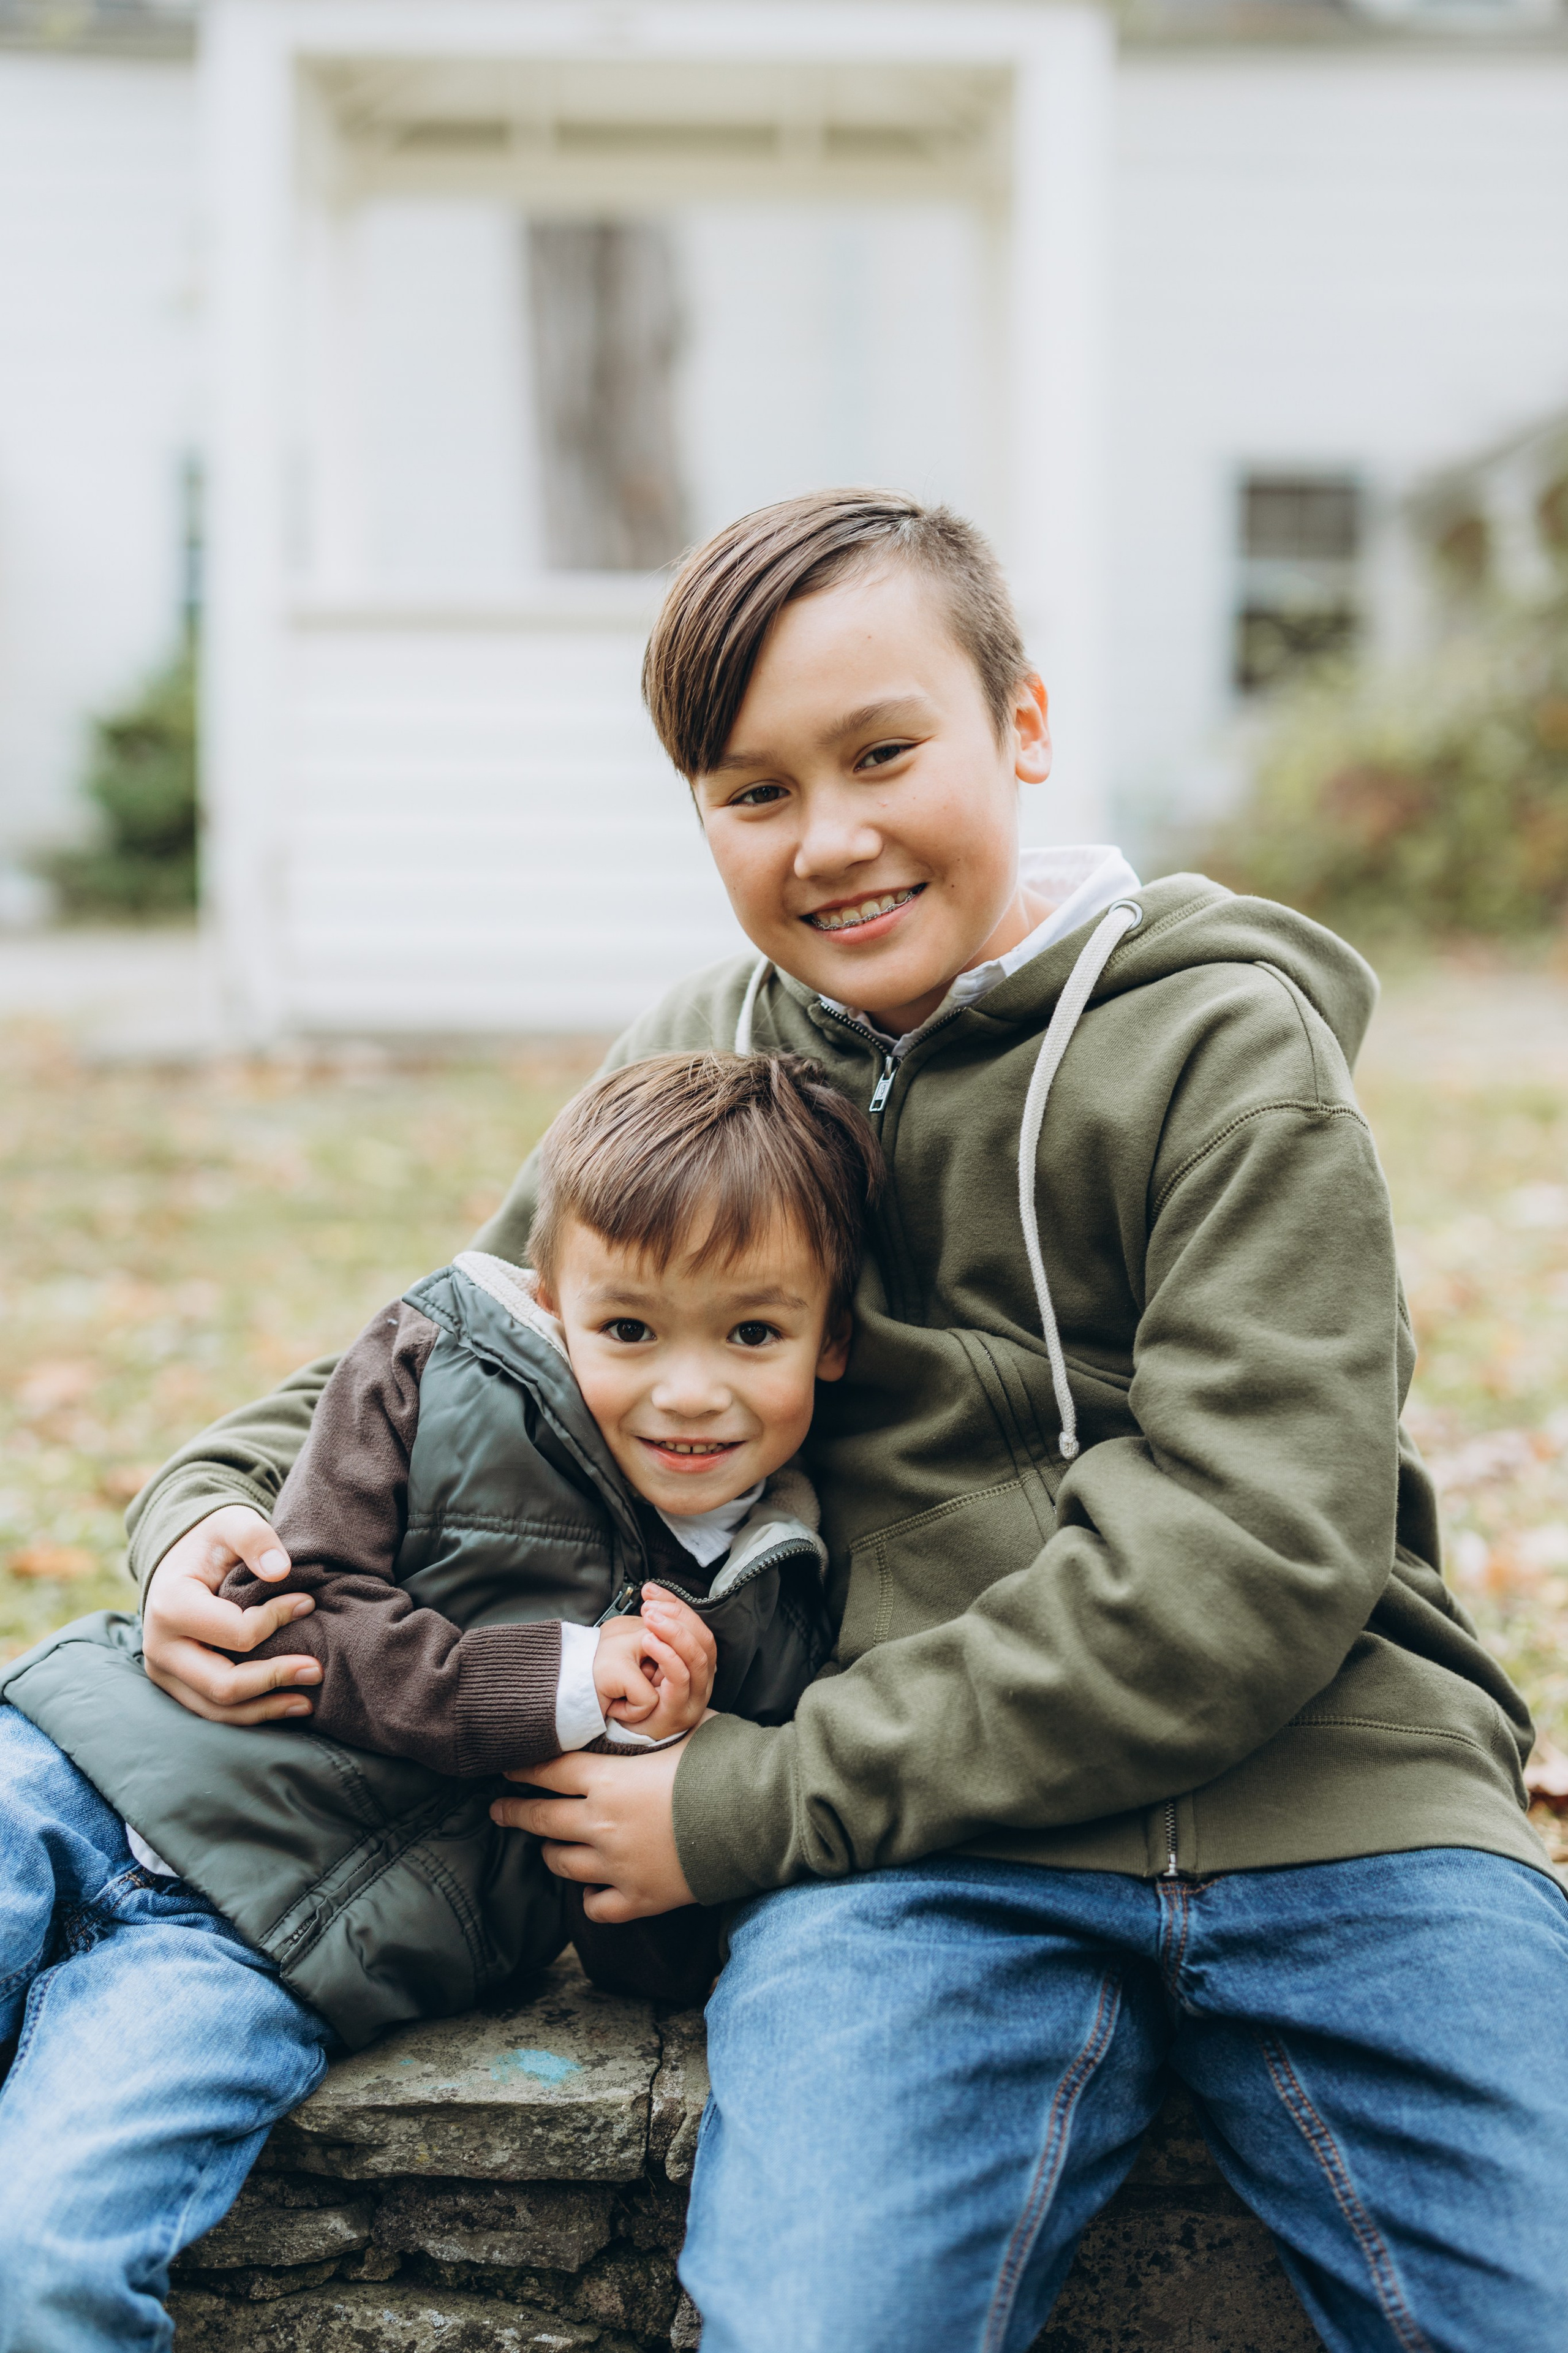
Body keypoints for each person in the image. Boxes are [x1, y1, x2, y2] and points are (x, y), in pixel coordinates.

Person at [52, 489, 1568, 2351]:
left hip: (1343, 1815)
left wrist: (748, 1796)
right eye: (752, 790)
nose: (830, 838)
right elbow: (473, 1349)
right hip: (919, 1872)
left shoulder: (1224, 1053)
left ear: (1021, 724)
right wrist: (203, 1503)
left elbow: (1252, 1563)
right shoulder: (716, 1047)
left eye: (884, 754)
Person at [0, 1048, 879, 2353]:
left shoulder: (776, 1610)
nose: (686, 1390)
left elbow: (649, 1957)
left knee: (44, 2259)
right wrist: (573, 1682)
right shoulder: (439, 1361)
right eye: (628, 1329)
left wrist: (671, 1751)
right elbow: (310, 1609)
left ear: (834, 1340)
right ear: (551, 1302)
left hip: (260, 1953)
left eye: (751, 1333)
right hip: (80, 1771)